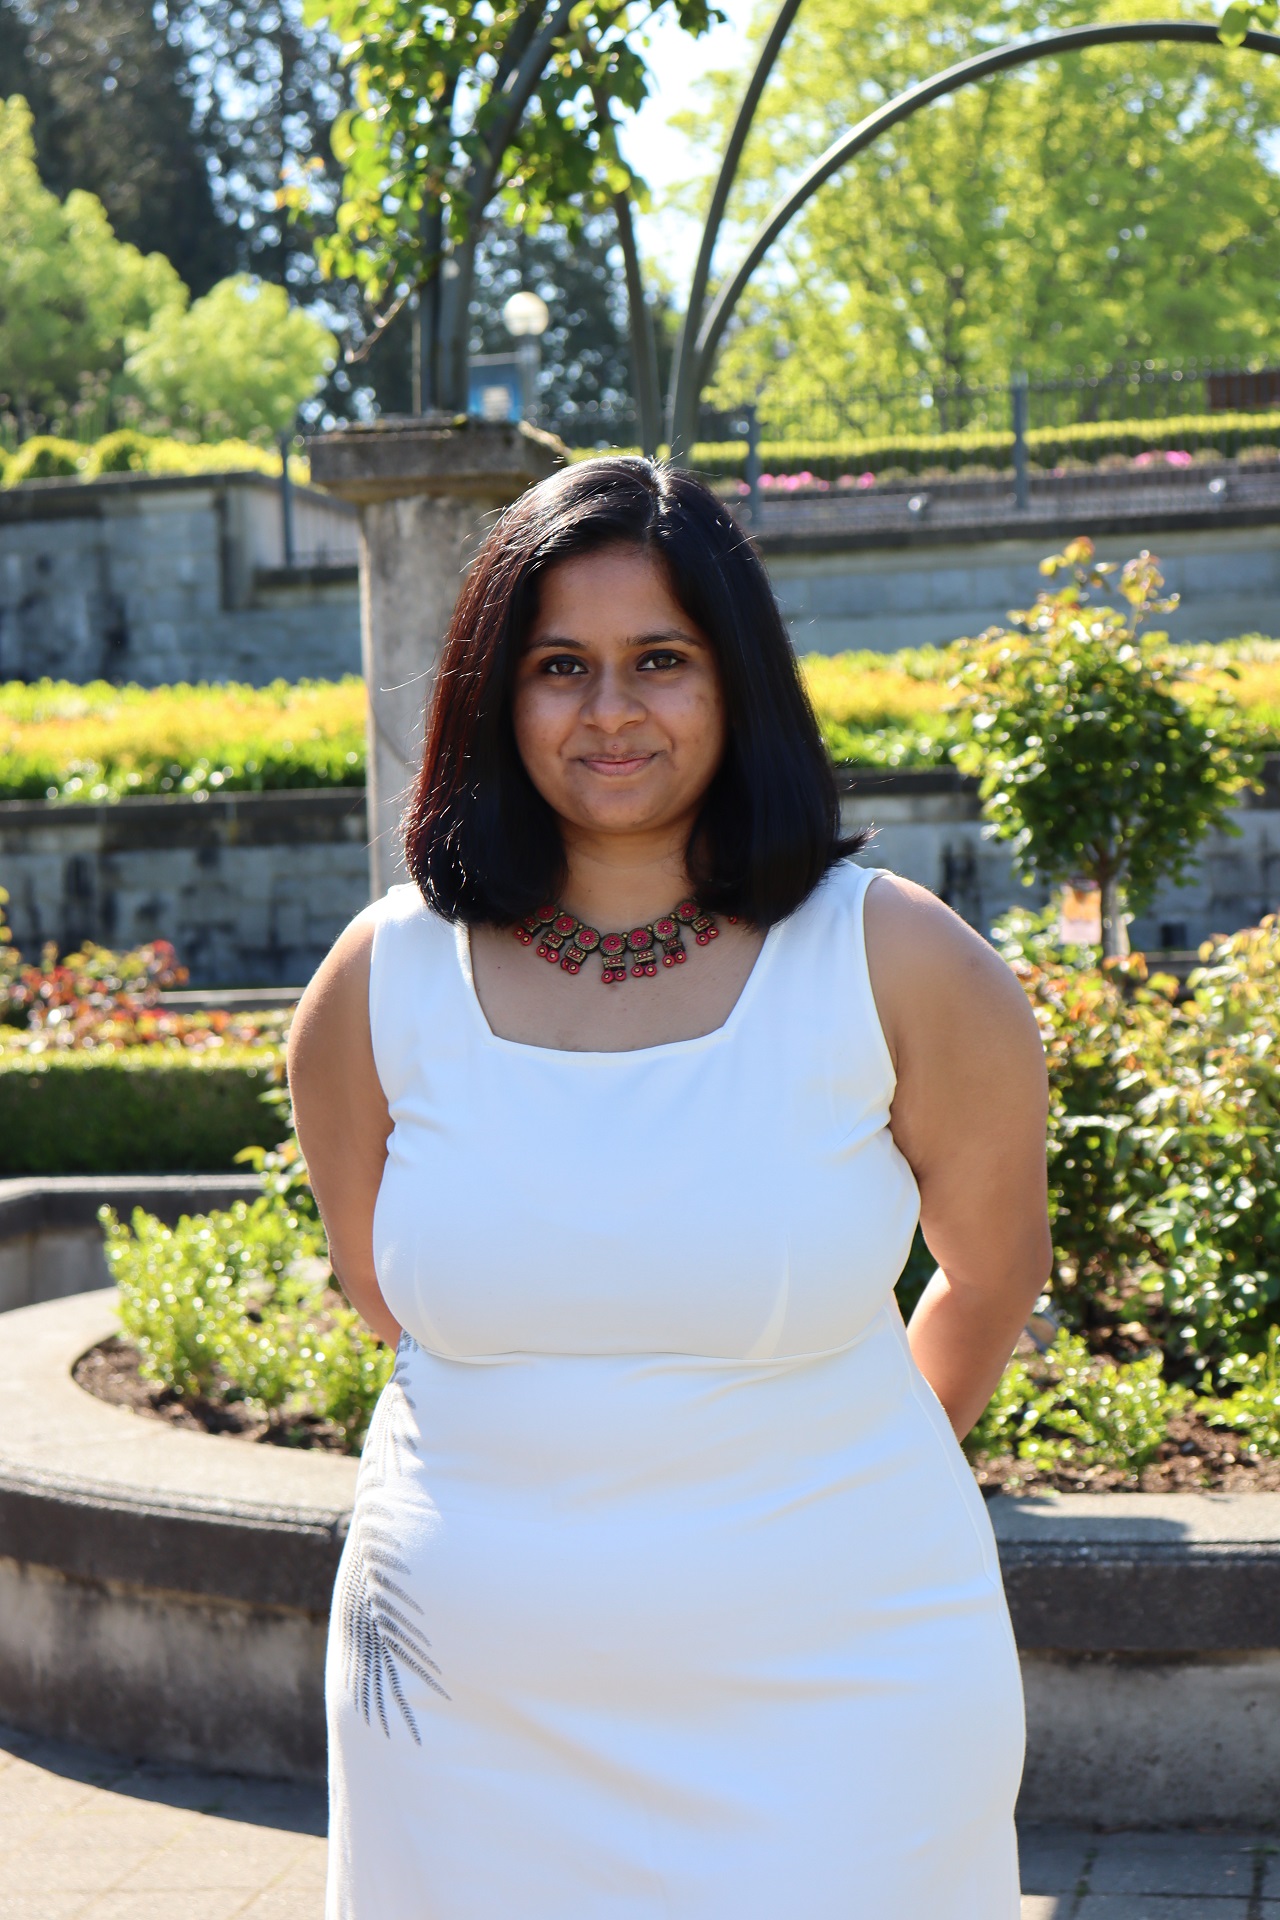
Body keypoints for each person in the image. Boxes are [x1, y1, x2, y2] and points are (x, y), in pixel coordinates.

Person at [289, 457, 1051, 1920]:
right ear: (492, 697)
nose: (609, 710)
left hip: (845, 1676)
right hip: (464, 1707)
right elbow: (389, 1298)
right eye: (558, 666)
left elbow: (993, 1272)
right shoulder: (377, 983)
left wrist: (823, 1479)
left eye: (661, 661)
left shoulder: (899, 961)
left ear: (739, 681)